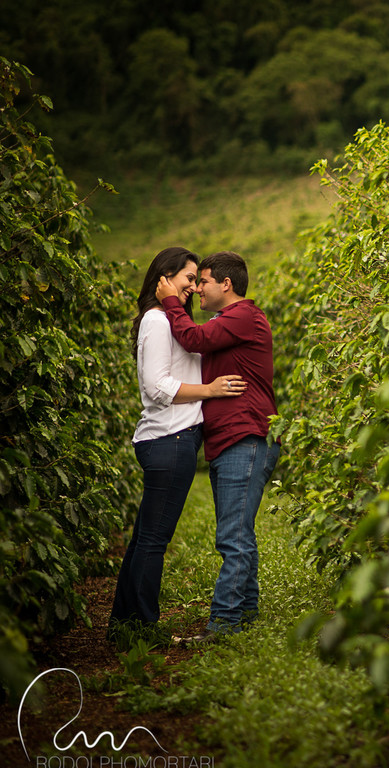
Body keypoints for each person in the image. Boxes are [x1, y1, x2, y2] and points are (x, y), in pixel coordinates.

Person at [109, 246, 246, 646]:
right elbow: (157, 386)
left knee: (144, 537)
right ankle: (143, 629)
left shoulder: (169, 320)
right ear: (164, 277)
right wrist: (210, 390)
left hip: (171, 438)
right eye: (189, 278)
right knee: (154, 540)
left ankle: (124, 625)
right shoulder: (157, 320)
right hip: (170, 438)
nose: (193, 286)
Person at [156, 251, 279, 642]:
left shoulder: (243, 315)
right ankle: (245, 616)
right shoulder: (230, 321)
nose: (198, 289)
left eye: (204, 281)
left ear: (226, 284)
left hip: (245, 438)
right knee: (239, 534)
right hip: (234, 440)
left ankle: (223, 625)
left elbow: (193, 338)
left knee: (232, 537)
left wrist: (170, 301)